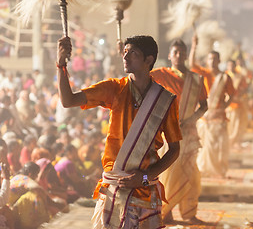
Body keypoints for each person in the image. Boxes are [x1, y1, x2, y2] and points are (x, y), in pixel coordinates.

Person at [56, 35, 182, 228]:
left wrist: (146, 177)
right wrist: (61, 66)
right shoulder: (114, 88)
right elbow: (68, 101)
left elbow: (174, 149)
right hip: (114, 187)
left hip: (145, 189)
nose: (126, 57)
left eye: (133, 53)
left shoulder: (165, 100)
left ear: (149, 60)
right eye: (125, 52)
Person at [151, 39, 208, 224]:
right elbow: (139, 76)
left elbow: (204, 106)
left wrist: (191, 119)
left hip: (189, 132)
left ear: (186, 54)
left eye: (182, 52)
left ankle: (189, 212)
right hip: (168, 131)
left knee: (191, 172)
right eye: (175, 52)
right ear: (169, 55)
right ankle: (166, 212)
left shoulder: (197, 79)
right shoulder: (161, 74)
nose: (179, 55)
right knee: (169, 172)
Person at [189, 35, 235, 178]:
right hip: (204, 117)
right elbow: (191, 64)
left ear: (219, 61)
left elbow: (232, 95)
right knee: (204, 146)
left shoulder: (225, 77)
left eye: (215, 59)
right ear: (207, 61)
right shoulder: (204, 73)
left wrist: (223, 107)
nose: (212, 62)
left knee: (218, 146)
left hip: (219, 117)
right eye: (210, 59)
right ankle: (204, 170)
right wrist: (194, 46)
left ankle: (217, 171)